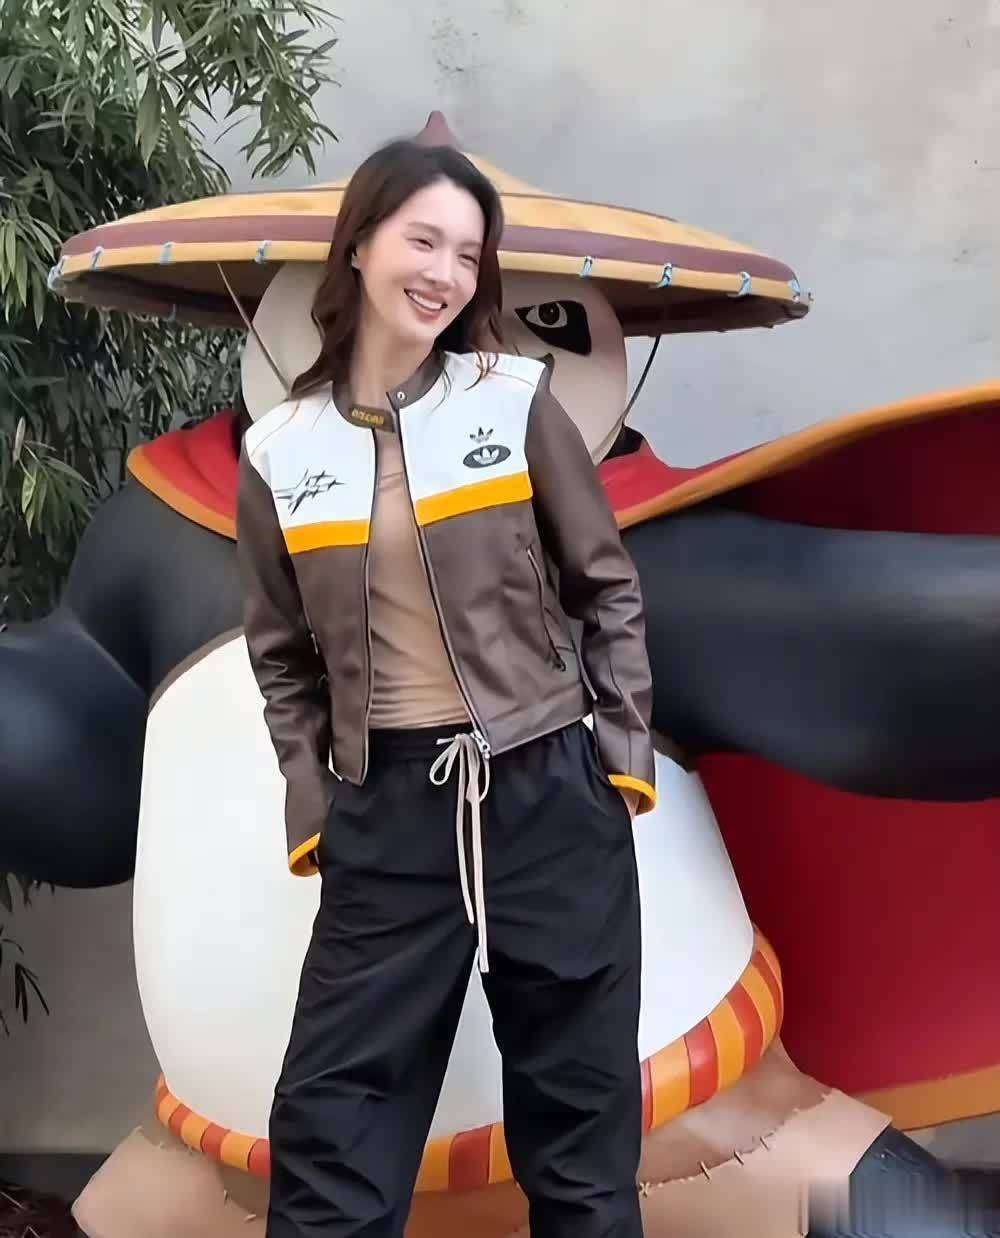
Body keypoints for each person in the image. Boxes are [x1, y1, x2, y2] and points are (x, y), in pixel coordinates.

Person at [236, 136, 657, 1238]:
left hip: (546, 789)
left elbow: (605, 583)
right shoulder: (282, 448)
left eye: (468, 255)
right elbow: (281, 655)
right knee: (333, 1121)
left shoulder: (511, 400)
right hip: (387, 809)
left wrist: (620, 758)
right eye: (423, 241)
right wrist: (315, 802)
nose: (444, 273)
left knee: (579, 1122)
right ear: (360, 244)